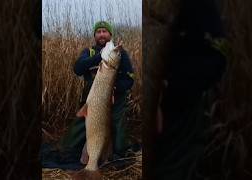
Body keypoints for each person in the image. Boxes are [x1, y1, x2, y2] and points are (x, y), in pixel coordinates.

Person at [153, 0, 227, 179]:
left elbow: (218, 57)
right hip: (171, 96)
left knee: (176, 164)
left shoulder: (202, 8)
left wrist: (172, 87)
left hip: (186, 100)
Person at [59, 21, 135, 162]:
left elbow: (130, 79)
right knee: (70, 143)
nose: (101, 34)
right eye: (98, 32)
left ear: (110, 34)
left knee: (120, 144)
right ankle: (80, 151)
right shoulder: (89, 52)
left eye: (104, 31)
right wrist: (100, 56)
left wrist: (114, 87)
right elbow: (78, 69)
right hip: (91, 102)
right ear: (94, 35)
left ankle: (118, 150)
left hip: (116, 102)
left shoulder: (120, 54)